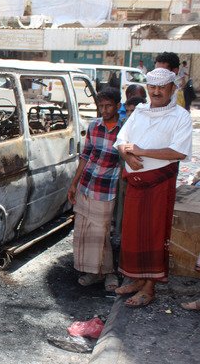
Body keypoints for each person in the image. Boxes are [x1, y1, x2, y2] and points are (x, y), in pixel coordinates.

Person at [113, 67, 193, 308]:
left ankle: (149, 288)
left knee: (154, 235)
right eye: (152, 87)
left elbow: (178, 151)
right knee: (133, 233)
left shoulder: (181, 116)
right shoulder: (139, 111)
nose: (156, 92)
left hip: (160, 184)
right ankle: (137, 280)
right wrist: (127, 157)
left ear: (172, 88)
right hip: (136, 183)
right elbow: (121, 140)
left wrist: (140, 151)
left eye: (161, 87)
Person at [67, 87, 123, 292]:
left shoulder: (125, 129)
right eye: (101, 106)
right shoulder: (94, 126)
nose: (105, 110)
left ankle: (108, 273)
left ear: (118, 106)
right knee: (85, 232)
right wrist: (74, 183)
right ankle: (93, 273)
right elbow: (86, 155)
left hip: (107, 189)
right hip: (87, 185)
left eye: (109, 105)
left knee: (101, 233)